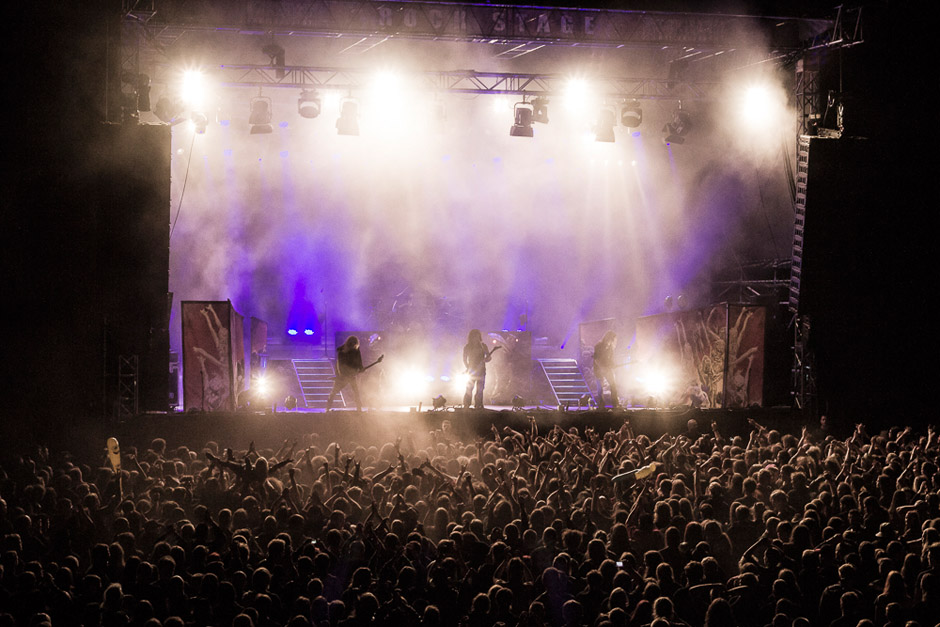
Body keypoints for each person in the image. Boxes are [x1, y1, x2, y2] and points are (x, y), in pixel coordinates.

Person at [327, 335, 365, 411]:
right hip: (343, 376)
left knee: (356, 392)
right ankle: (327, 408)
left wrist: (361, 368)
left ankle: (359, 408)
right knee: (334, 392)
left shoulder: (356, 350)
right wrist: (342, 375)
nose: (354, 346)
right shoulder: (342, 351)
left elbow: (359, 360)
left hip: (352, 375)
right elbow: (340, 365)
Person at [463, 329, 494, 409]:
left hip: (481, 371)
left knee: (480, 389)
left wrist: (487, 359)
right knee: (469, 388)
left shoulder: (483, 346)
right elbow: (464, 359)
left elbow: (489, 358)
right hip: (471, 371)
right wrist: (468, 367)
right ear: (471, 337)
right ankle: (466, 404)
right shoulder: (467, 347)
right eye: (474, 336)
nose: (475, 338)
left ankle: (478, 404)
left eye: (477, 336)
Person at [593, 330, 620, 407]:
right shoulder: (598, 346)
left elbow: (610, 360)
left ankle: (615, 404)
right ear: (609, 338)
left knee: (613, 385)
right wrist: (602, 368)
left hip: (607, 369)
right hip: (598, 370)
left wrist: (613, 365)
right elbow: (596, 359)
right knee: (600, 388)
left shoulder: (610, 348)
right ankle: (601, 405)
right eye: (613, 339)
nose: (613, 341)